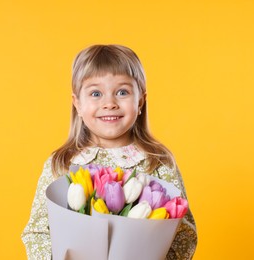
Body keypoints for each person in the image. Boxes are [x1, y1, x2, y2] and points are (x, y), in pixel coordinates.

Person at [21, 44, 197, 259]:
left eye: (122, 92)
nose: (109, 103)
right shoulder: (62, 163)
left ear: (140, 100)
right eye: (96, 93)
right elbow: (38, 231)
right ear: (77, 103)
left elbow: (184, 233)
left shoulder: (158, 162)